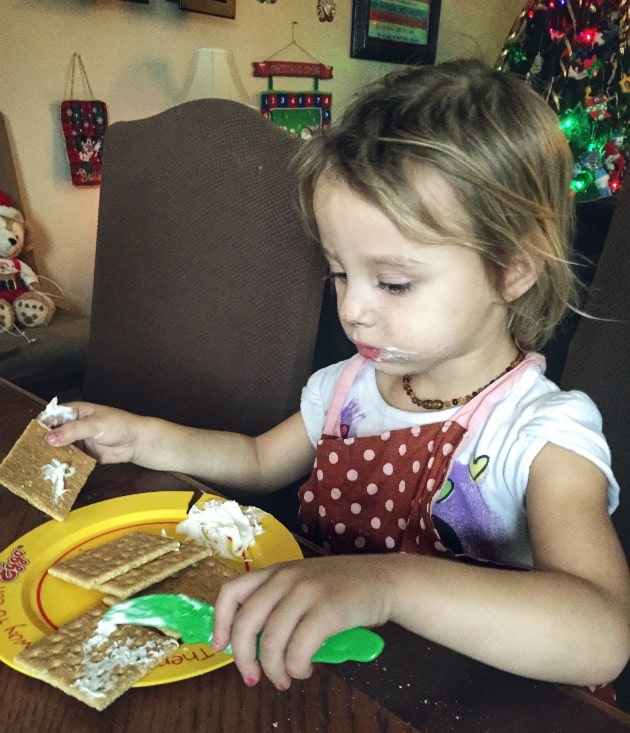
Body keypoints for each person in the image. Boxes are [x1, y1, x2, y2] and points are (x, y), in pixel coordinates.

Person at [48, 59, 630, 694]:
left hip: (464, 723)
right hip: (325, 680)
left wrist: (387, 582)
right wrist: (143, 438)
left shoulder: (541, 433)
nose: (352, 309)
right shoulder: (348, 387)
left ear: (513, 269)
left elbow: (602, 633)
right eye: (340, 273)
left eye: (395, 282)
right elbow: (256, 458)